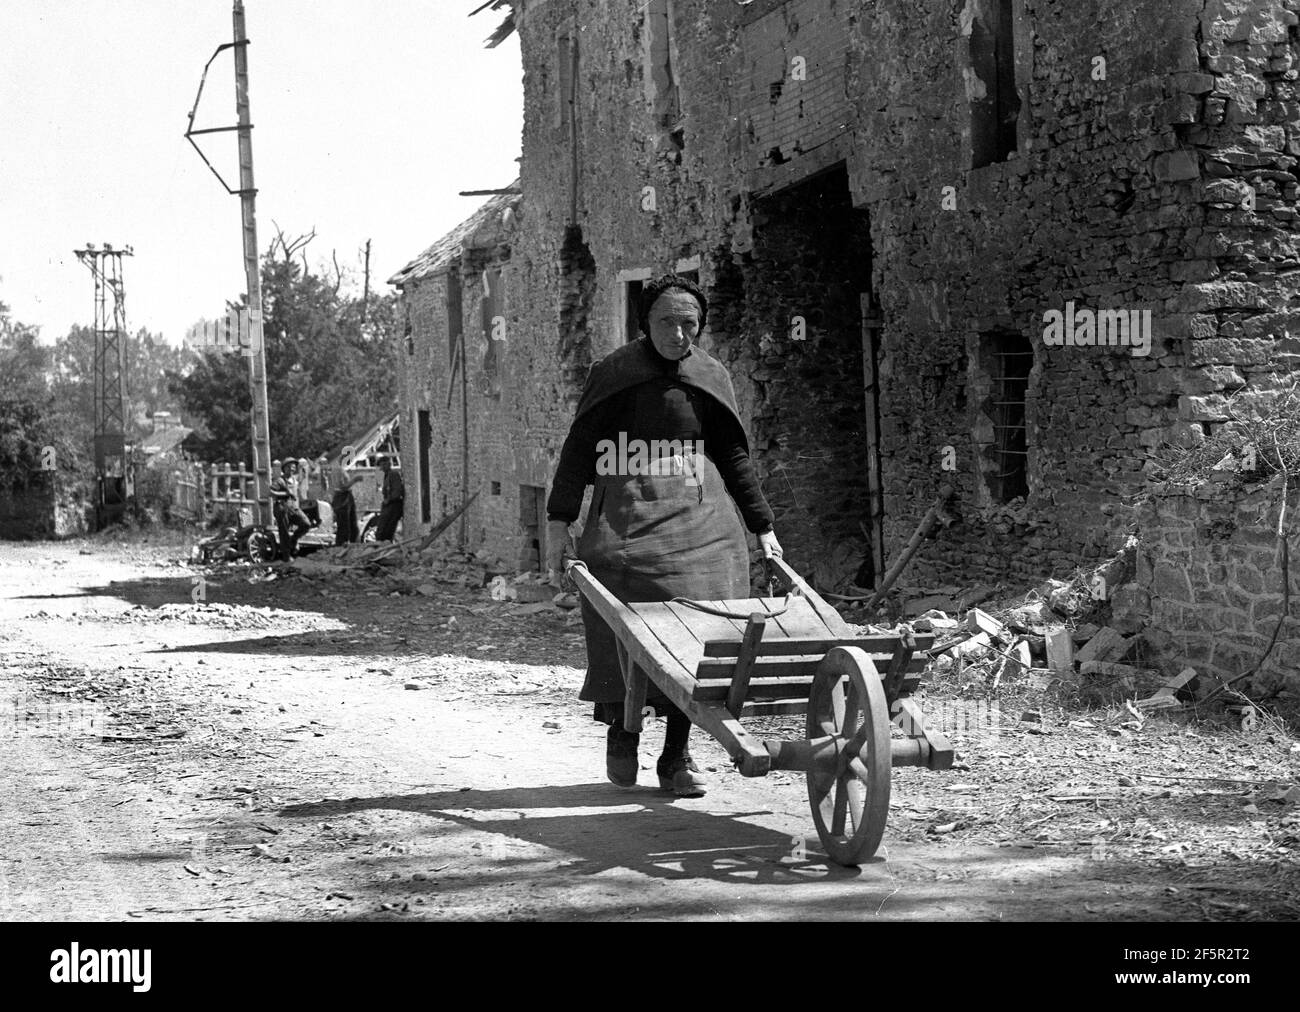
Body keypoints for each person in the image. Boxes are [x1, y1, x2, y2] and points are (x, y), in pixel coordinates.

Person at [546, 273, 782, 798]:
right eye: (668, 323)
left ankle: (676, 754)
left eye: (690, 324)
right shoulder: (614, 373)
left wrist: (761, 525)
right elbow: (581, 447)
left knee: (703, 631)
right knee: (622, 618)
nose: (679, 334)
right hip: (626, 519)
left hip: (703, 525)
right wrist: (560, 520)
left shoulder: (710, 375)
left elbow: (734, 456)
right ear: (645, 324)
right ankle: (623, 730)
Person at [269, 459, 311, 561]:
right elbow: (270, 492)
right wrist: (284, 494)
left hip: (293, 508)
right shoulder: (280, 481)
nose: (291, 469)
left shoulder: (295, 480)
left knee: (306, 524)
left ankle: (294, 539)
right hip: (282, 508)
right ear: (284, 469)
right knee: (284, 532)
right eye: (289, 467)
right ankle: (286, 557)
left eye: (293, 467)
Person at [329, 446, 362, 545]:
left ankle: (353, 543)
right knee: (344, 524)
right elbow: (342, 486)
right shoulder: (337, 470)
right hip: (342, 497)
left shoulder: (340, 469)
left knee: (351, 522)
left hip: (346, 496)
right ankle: (342, 544)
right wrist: (354, 480)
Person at [375, 456, 404, 541]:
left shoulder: (393, 474)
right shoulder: (386, 476)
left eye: (385, 464)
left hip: (394, 505)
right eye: (381, 465)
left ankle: (385, 546)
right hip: (388, 505)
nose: (383, 467)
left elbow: (397, 491)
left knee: (387, 529)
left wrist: (389, 499)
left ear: (389, 464)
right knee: (381, 529)